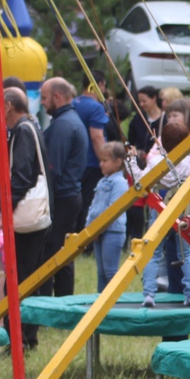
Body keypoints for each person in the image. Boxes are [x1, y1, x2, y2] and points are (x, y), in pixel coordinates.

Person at [7, 88, 51, 351]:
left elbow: (22, 176)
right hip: (37, 216)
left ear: (9, 106)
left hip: (25, 218)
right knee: (30, 277)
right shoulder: (33, 125)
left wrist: (5, 212)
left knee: (20, 277)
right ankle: (27, 337)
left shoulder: (23, 130)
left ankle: (19, 339)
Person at [37, 77, 88, 300]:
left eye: (44, 97)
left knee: (51, 253)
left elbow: (52, 169)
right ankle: (65, 302)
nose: (41, 102)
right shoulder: (69, 120)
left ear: (57, 97)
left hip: (62, 197)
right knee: (63, 253)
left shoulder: (63, 125)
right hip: (70, 195)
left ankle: (48, 304)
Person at [141, 122, 190, 307]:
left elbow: (144, 182)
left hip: (160, 210)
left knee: (153, 252)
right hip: (183, 211)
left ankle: (149, 293)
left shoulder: (156, 162)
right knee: (187, 252)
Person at [87, 143, 129, 291]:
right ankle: (101, 303)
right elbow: (94, 207)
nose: (101, 164)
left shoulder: (120, 183)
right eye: (101, 160)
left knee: (110, 271)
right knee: (101, 273)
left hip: (112, 232)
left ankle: (114, 303)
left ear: (118, 162)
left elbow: (113, 209)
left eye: (105, 161)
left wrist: (99, 229)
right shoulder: (103, 181)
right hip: (99, 231)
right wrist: (90, 228)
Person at [126, 85, 164, 243]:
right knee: (137, 202)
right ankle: (135, 235)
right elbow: (131, 141)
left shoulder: (164, 119)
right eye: (139, 101)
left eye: (144, 101)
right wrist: (135, 153)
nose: (141, 104)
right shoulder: (137, 119)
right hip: (140, 164)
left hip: (157, 166)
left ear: (154, 98)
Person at [73, 71, 110, 230]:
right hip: (92, 162)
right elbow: (97, 137)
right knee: (88, 202)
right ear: (99, 85)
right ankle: (84, 239)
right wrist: (105, 160)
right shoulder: (96, 107)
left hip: (75, 161)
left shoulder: (73, 103)